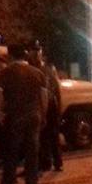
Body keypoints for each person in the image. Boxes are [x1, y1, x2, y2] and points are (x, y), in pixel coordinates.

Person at [0, 44, 48, 184]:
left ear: (10, 56)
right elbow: (44, 97)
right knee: (32, 152)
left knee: (11, 153)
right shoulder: (37, 73)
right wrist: (43, 114)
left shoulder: (6, 72)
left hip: (14, 116)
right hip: (34, 115)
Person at [28, 42, 63, 173]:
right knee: (42, 136)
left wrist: (59, 106)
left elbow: (56, 88)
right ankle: (45, 162)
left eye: (38, 51)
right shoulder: (31, 69)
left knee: (53, 135)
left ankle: (57, 162)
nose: (36, 53)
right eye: (33, 51)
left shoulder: (48, 68)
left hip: (50, 105)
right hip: (38, 105)